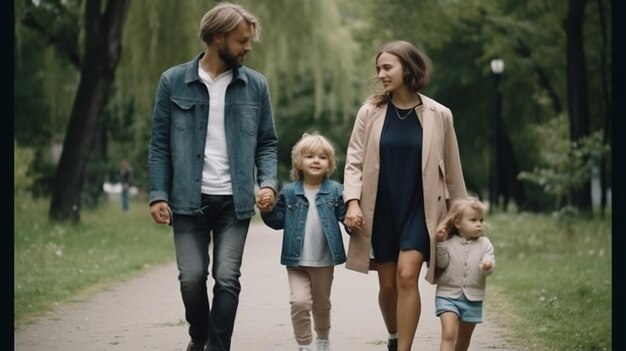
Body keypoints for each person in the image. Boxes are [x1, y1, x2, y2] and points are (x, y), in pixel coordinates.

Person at [147, 2, 278, 351]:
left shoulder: (256, 86)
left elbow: (267, 143)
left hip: (234, 202)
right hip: (187, 201)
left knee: (227, 278)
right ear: (217, 36)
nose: (248, 47)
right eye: (242, 40)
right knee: (191, 279)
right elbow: (159, 144)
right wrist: (158, 193)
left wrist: (267, 183)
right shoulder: (173, 81)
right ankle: (199, 336)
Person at [342, 40, 467, 351]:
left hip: (421, 209)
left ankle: (404, 348)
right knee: (387, 285)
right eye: (379, 69)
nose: (381, 74)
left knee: (406, 275)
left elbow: (452, 170)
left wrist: (461, 218)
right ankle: (395, 336)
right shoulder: (370, 112)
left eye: (388, 67)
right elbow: (354, 162)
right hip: (380, 208)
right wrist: (353, 202)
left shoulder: (439, 114)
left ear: (408, 68)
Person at [259, 132, 347, 351]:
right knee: (298, 303)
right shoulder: (289, 192)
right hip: (296, 261)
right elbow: (278, 221)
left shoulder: (336, 191)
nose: (316, 160)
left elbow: (346, 216)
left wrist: (355, 221)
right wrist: (266, 210)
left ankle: (323, 339)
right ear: (298, 162)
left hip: (324, 260)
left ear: (329, 164)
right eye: (309, 156)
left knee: (321, 305)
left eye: (322, 157)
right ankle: (304, 344)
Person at [434, 196, 495, 351]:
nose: (479, 224)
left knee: (463, 339)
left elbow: (489, 264)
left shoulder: (485, 244)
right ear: (457, 223)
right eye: (473, 220)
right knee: (449, 334)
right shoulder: (448, 242)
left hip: (473, 298)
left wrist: (487, 267)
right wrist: (440, 243)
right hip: (447, 295)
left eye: (481, 220)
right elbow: (441, 263)